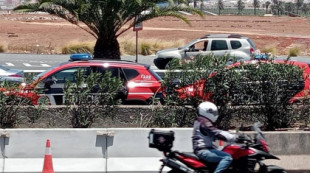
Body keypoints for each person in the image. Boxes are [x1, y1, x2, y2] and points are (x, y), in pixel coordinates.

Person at [192, 101, 238, 173]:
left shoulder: (201, 120)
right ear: (206, 112)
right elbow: (216, 132)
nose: (215, 115)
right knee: (227, 157)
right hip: (203, 151)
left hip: (205, 149)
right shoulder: (204, 122)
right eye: (213, 113)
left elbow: (215, 137)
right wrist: (234, 138)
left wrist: (230, 140)